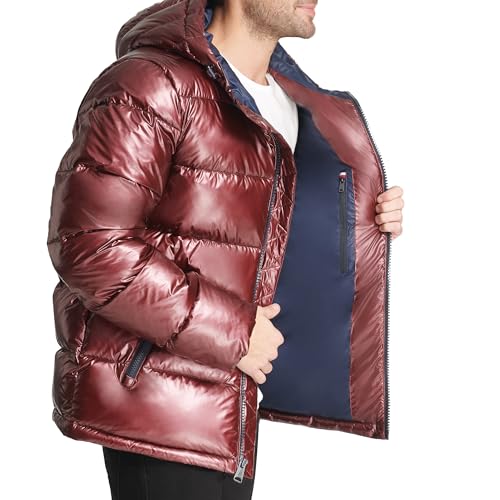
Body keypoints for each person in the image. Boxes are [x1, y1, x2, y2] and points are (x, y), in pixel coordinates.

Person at [46, 0, 404, 499]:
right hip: (159, 404)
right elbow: (90, 246)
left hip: (231, 402)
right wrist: (235, 333)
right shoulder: (151, 85)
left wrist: (363, 217)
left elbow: (250, 232)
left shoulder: (290, 103)